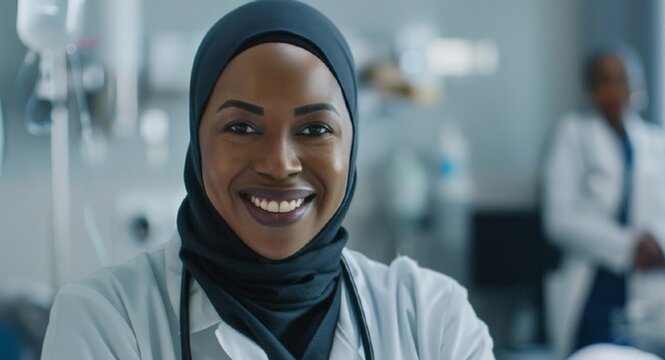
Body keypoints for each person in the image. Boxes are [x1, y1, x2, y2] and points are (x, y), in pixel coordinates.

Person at [40, 1, 493, 359]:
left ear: (351, 145)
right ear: (197, 142)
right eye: (242, 127)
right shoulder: (107, 322)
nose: (279, 165)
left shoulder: (431, 320)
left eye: (315, 129)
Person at [542, 44, 665, 357]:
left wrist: (661, 240)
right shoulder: (572, 136)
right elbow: (559, 218)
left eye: (623, 78)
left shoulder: (662, 145)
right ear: (590, 89)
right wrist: (630, 247)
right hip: (595, 291)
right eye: (604, 80)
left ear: (638, 84)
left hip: (657, 292)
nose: (615, 89)